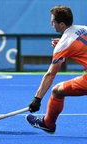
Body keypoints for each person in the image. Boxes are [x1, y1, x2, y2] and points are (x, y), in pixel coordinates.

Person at [26, 5, 87, 133]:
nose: (51, 23)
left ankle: (48, 124)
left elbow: (50, 74)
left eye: (53, 21)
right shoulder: (83, 28)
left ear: (62, 24)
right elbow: (78, 44)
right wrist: (62, 44)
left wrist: (37, 99)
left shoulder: (64, 44)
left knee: (57, 91)